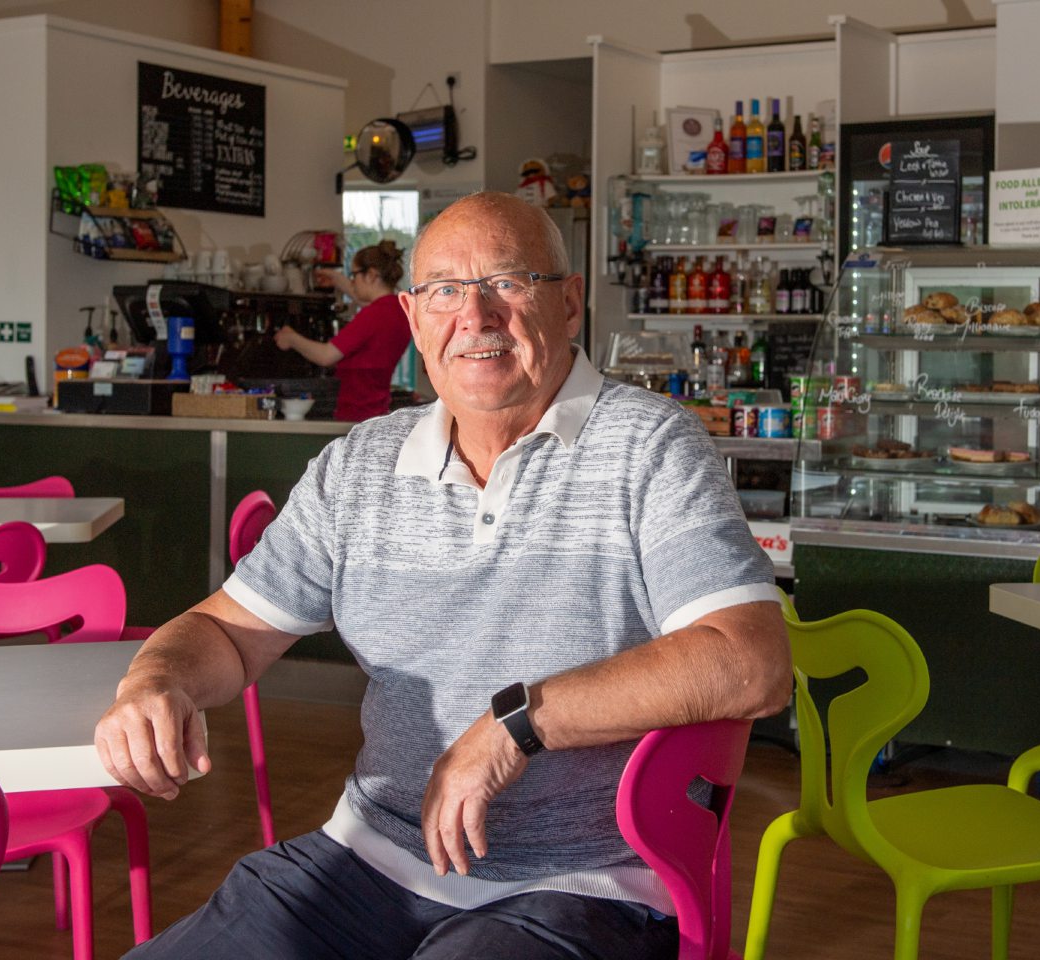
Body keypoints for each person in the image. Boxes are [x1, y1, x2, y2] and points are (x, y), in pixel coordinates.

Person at [95, 191, 792, 960]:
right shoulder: (359, 465)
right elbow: (227, 632)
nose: (476, 315)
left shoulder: (653, 447)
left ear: (568, 304)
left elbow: (750, 661)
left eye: (508, 282)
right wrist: (156, 680)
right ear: (414, 317)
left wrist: (515, 725)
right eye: (445, 291)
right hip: (367, 857)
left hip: (581, 885)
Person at [273, 240, 412, 422]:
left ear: (371, 275)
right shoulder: (399, 310)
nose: (352, 282)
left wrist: (291, 338)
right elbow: (366, 298)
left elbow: (326, 355)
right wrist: (337, 279)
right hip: (376, 414)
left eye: (354, 275)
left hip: (354, 417)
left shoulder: (372, 315)